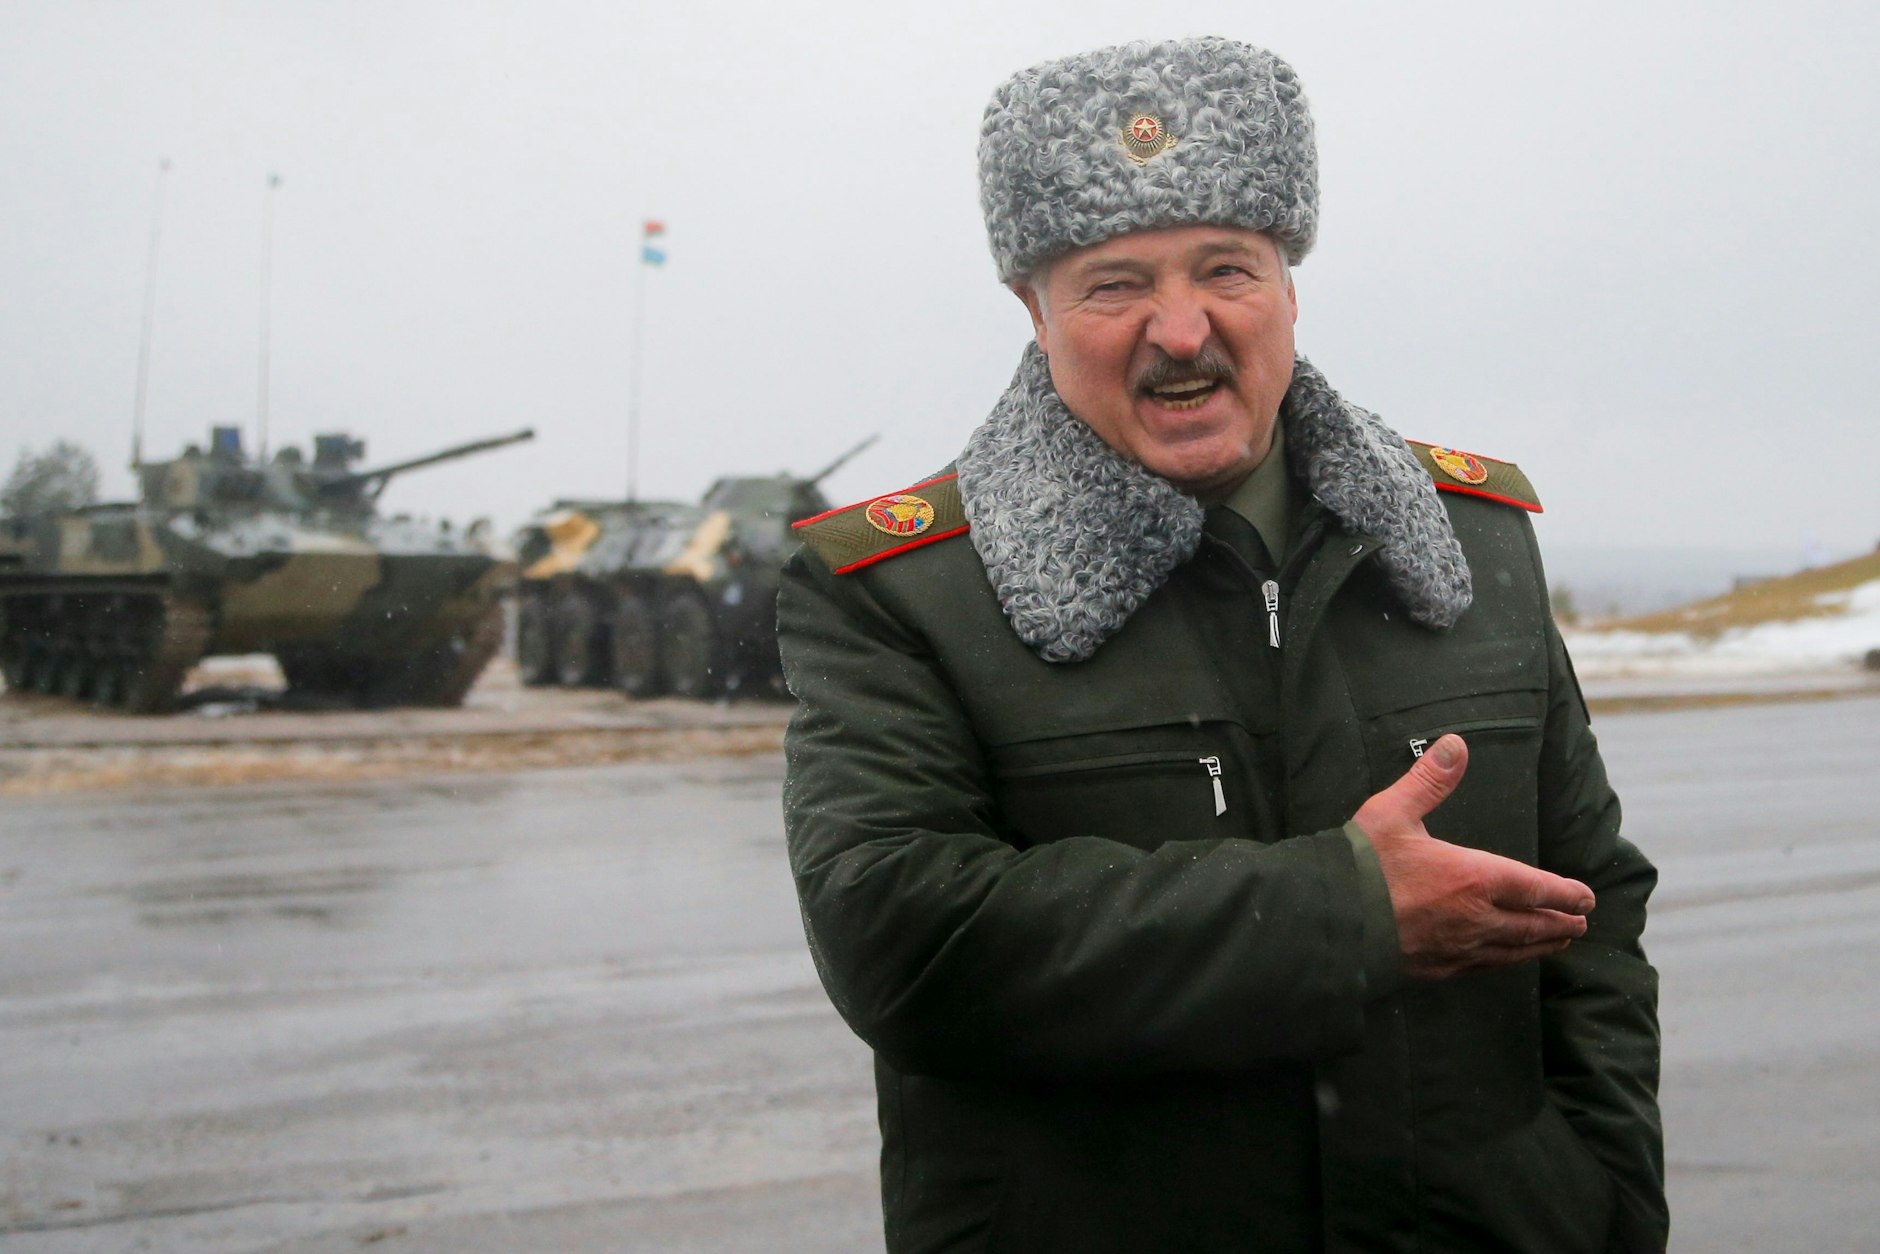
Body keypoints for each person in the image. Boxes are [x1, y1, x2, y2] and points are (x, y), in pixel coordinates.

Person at [778, 36, 1664, 1254]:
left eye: (1225, 269)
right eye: (1112, 283)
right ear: (1030, 309)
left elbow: (1593, 910)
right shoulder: (903, 591)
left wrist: (1602, 1199)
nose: (1180, 329)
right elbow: (906, 942)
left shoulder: (1469, 541)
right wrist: (1344, 911)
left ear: (1289, 285)